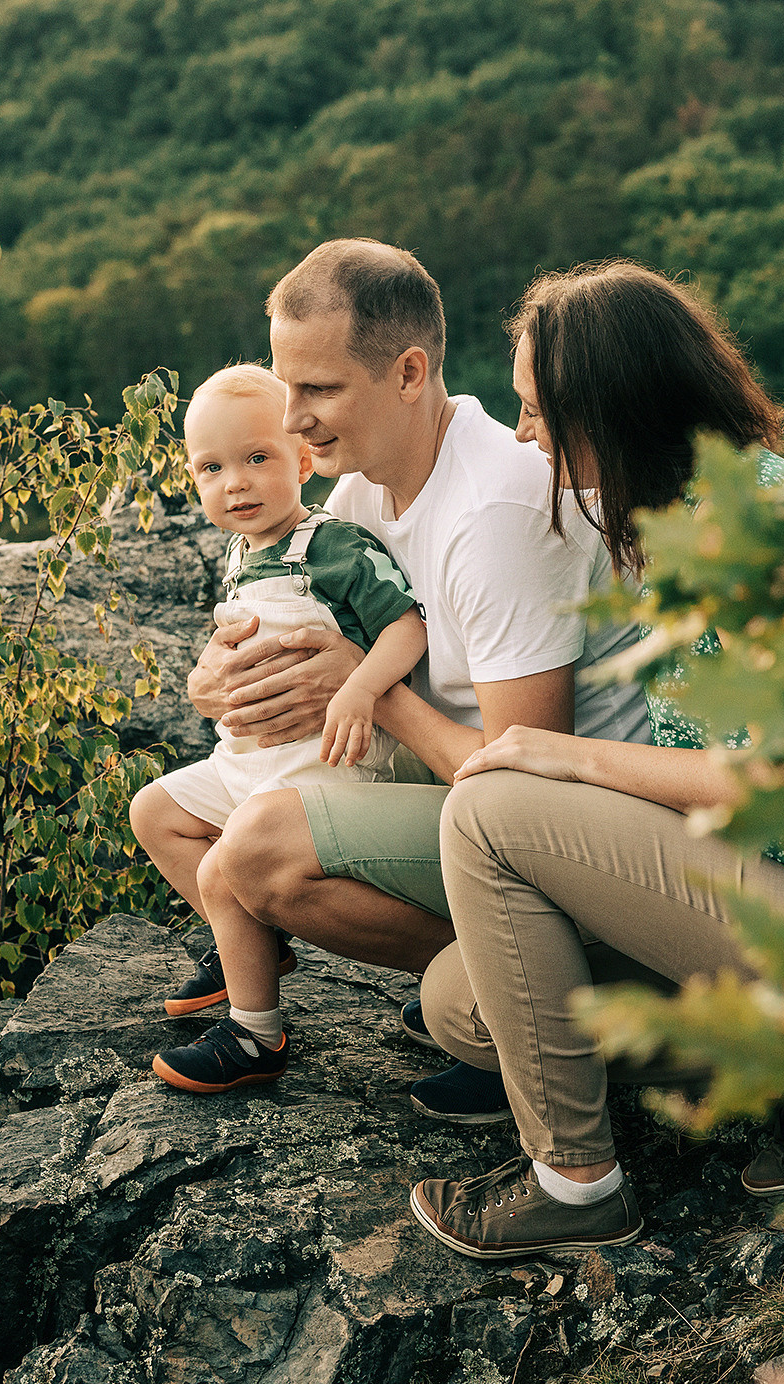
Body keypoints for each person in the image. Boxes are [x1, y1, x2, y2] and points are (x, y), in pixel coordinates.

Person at [404, 260, 784, 1261]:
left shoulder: (761, 522)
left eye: (538, 412)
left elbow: (780, 777)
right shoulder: (675, 523)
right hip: (775, 890)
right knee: (462, 1002)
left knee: (485, 813)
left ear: (611, 410)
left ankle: (575, 1184)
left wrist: (563, 760)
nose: (525, 437)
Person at [174, 240, 652, 1048]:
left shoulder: (495, 518)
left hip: (584, 844)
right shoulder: (361, 486)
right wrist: (213, 685)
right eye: (287, 386)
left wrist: (367, 689)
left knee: (256, 850)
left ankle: (529, 1000)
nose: (291, 420)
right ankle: (479, 1000)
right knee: (192, 818)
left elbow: (527, 777)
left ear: (407, 373)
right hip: (458, 793)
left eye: (320, 388)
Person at [129, 364, 428, 1094]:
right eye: (212, 468)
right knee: (156, 812)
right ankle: (251, 944)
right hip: (254, 758)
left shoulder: (333, 547)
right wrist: (208, 685)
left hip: (327, 765)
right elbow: (227, 649)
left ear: (300, 459)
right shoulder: (238, 557)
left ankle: (256, 1031)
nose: (236, 484)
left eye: (256, 459)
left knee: (224, 863)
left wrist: (361, 687)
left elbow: (406, 627)